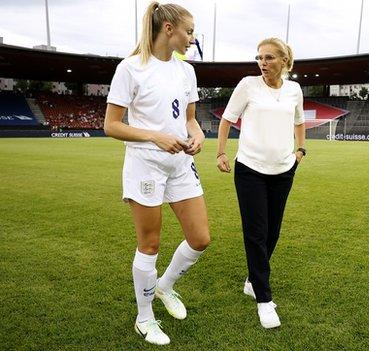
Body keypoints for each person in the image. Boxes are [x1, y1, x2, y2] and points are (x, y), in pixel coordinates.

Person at [103, 1, 210, 345]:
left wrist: (198, 135)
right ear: (169, 29)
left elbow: (190, 118)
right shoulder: (131, 68)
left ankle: (165, 287)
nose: (192, 38)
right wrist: (154, 136)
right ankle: (144, 318)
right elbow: (111, 125)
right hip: (145, 165)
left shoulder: (186, 71)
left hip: (180, 165)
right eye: (189, 31)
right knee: (149, 245)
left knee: (200, 238)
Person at [216, 37, 306, 329]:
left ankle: (253, 280)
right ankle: (264, 300)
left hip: (283, 169)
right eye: (259, 58)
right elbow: (227, 119)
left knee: (273, 232)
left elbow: (299, 121)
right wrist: (221, 152)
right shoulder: (247, 85)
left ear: (283, 60)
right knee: (256, 233)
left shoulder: (294, 90)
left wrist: (300, 151)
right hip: (250, 169)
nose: (263, 63)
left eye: (269, 58)